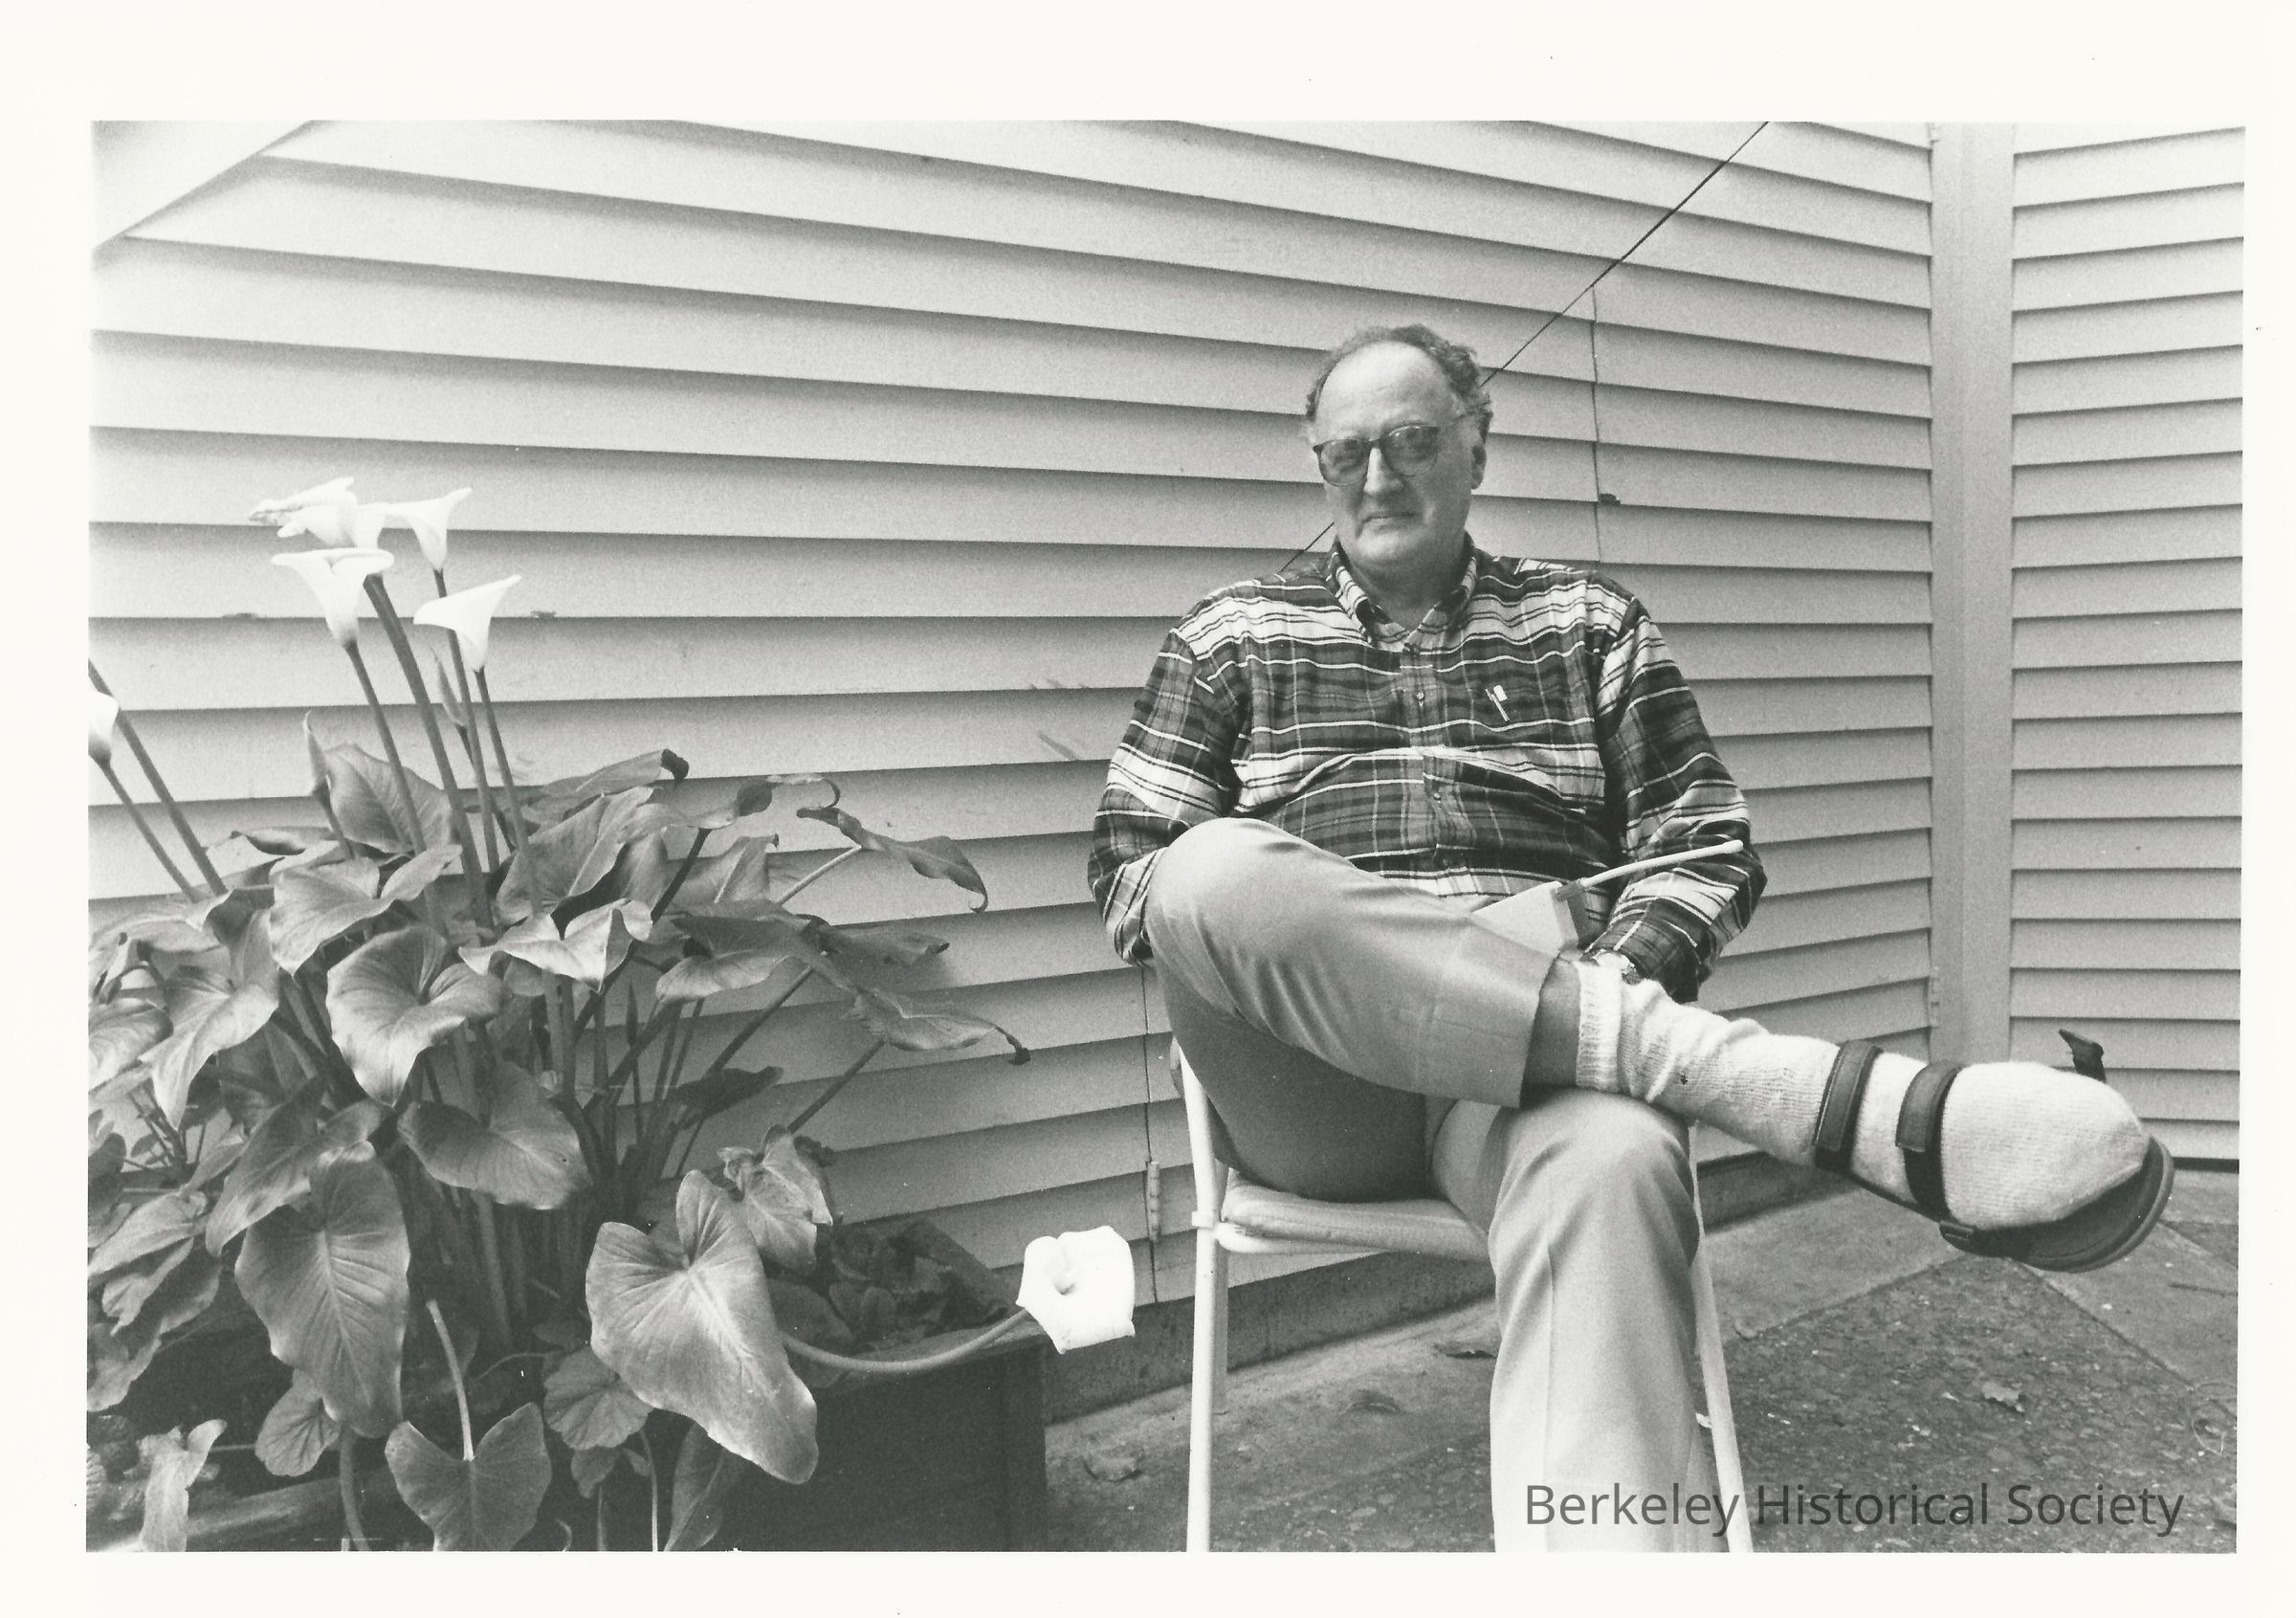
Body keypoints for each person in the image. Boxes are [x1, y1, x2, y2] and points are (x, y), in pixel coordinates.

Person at [1088, 324, 2173, 1551]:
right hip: (1316, 1083)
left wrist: (1592, 977)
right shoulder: (1230, 635)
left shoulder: (1586, 622)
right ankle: (1777, 1088)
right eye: (1348, 453)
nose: (1378, 478)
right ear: (1318, 465)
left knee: (1615, 1158)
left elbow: (1703, 844)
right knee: (1207, 870)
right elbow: (1129, 875)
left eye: (1413, 441)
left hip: (1524, 1084)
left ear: (1478, 445)